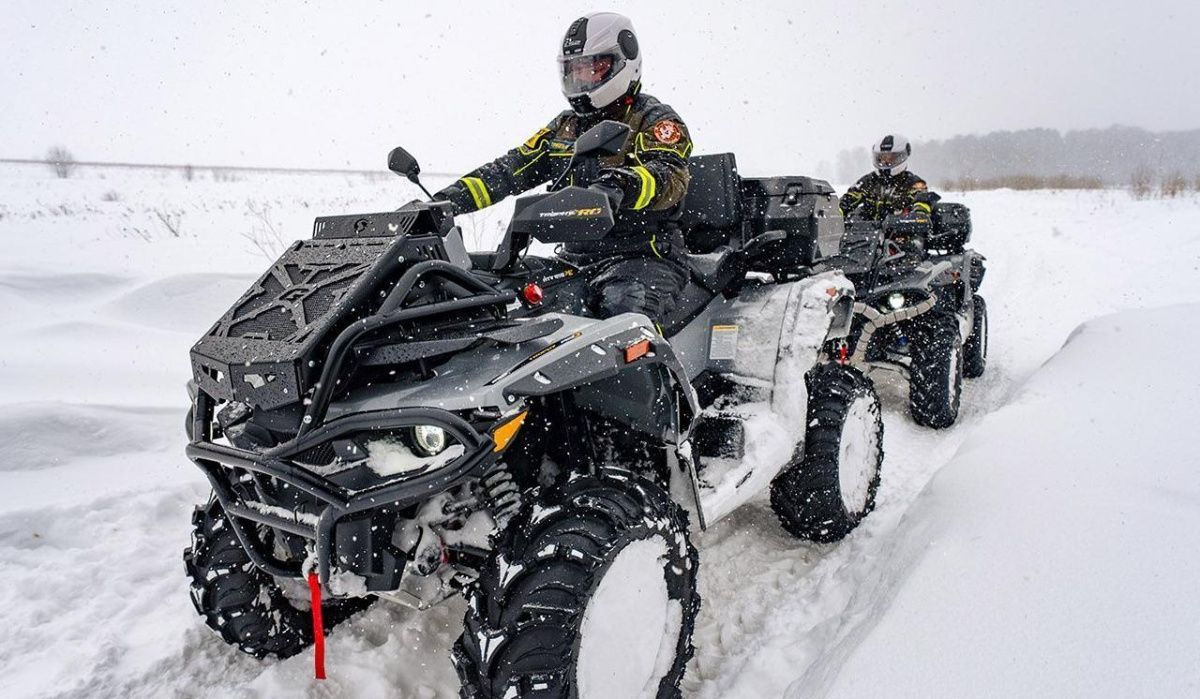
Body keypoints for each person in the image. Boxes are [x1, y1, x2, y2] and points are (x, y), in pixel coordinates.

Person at [432, 12, 694, 327]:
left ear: (625, 61)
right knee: (501, 298)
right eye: (576, 71)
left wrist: (620, 186)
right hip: (576, 259)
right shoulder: (566, 127)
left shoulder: (654, 120)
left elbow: (670, 176)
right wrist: (445, 202)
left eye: (593, 69)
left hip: (644, 257)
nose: (582, 79)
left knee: (624, 320)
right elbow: (511, 168)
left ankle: (657, 374)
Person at [840, 134, 940, 220]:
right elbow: (849, 198)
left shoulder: (914, 183)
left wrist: (919, 214)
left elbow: (922, 200)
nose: (884, 162)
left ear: (902, 157)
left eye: (890, 158)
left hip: (902, 234)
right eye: (881, 158)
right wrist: (836, 213)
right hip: (867, 235)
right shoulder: (868, 181)